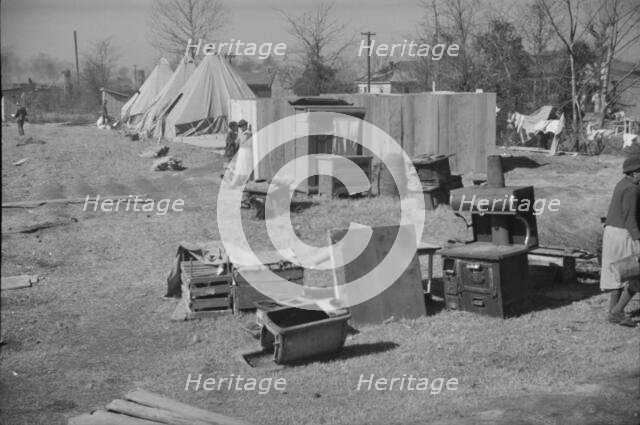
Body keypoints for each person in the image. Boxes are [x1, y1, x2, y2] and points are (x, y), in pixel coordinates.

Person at [600, 156, 640, 327]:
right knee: (634, 273)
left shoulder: (622, 183)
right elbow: (630, 218)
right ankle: (617, 311)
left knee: (618, 273)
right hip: (623, 233)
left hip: (612, 232)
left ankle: (613, 312)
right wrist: (638, 240)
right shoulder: (632, 189)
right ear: (635, 172)